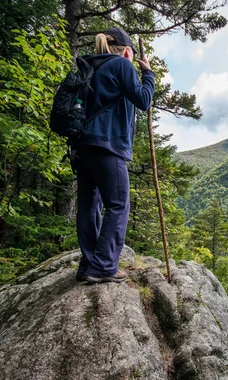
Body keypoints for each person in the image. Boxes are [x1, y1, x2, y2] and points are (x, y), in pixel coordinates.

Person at [73, 27, 154, 283]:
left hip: (81, 146)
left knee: (89, 205)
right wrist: (148, 73)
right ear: (126, 50)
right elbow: (142, 100)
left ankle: (88, 264)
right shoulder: (121, 65)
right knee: (118, 204)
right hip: (107, 144)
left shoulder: (86, 66)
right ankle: (105, 267)